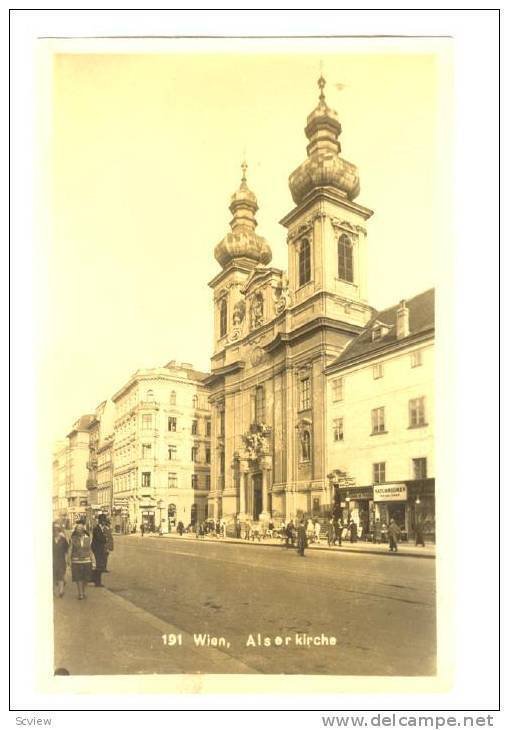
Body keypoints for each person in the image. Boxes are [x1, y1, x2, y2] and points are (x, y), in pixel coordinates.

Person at [69, 520, 94, 600]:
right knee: (78, 577)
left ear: (83, 529)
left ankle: (83, 591)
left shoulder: (88, 538)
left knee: (86, 578)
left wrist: (93, 560)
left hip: (87, 560)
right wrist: (68, 559)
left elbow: (90, 550)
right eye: (77, 529)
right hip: (76, 560)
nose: (78, 530)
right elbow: (70, 549)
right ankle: (80, 594)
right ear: (76, 530)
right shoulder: (73, 538)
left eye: (80, 529)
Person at [52, 523, 69, 598]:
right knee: (53, 576)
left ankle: (61, 591)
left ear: (59, 531)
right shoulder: (50, 539)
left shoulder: (63, 540)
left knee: (60, 575)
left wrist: (67, 559)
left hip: (61, 560)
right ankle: (52, 591)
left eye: (56, 531)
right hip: (52, 560)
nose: (55, 532)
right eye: (54, 531)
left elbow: (66, 550)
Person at [91, 516, 108, 587]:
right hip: (97, 549)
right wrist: (105, 538)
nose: (105, 522)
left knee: (100, 565)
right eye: (103, 521)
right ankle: (97, 582)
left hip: (100, 549)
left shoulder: (100, 528)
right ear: (100, 521)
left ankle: (97, 581)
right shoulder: (97, 529)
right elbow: (99, 538)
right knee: (98, 565)